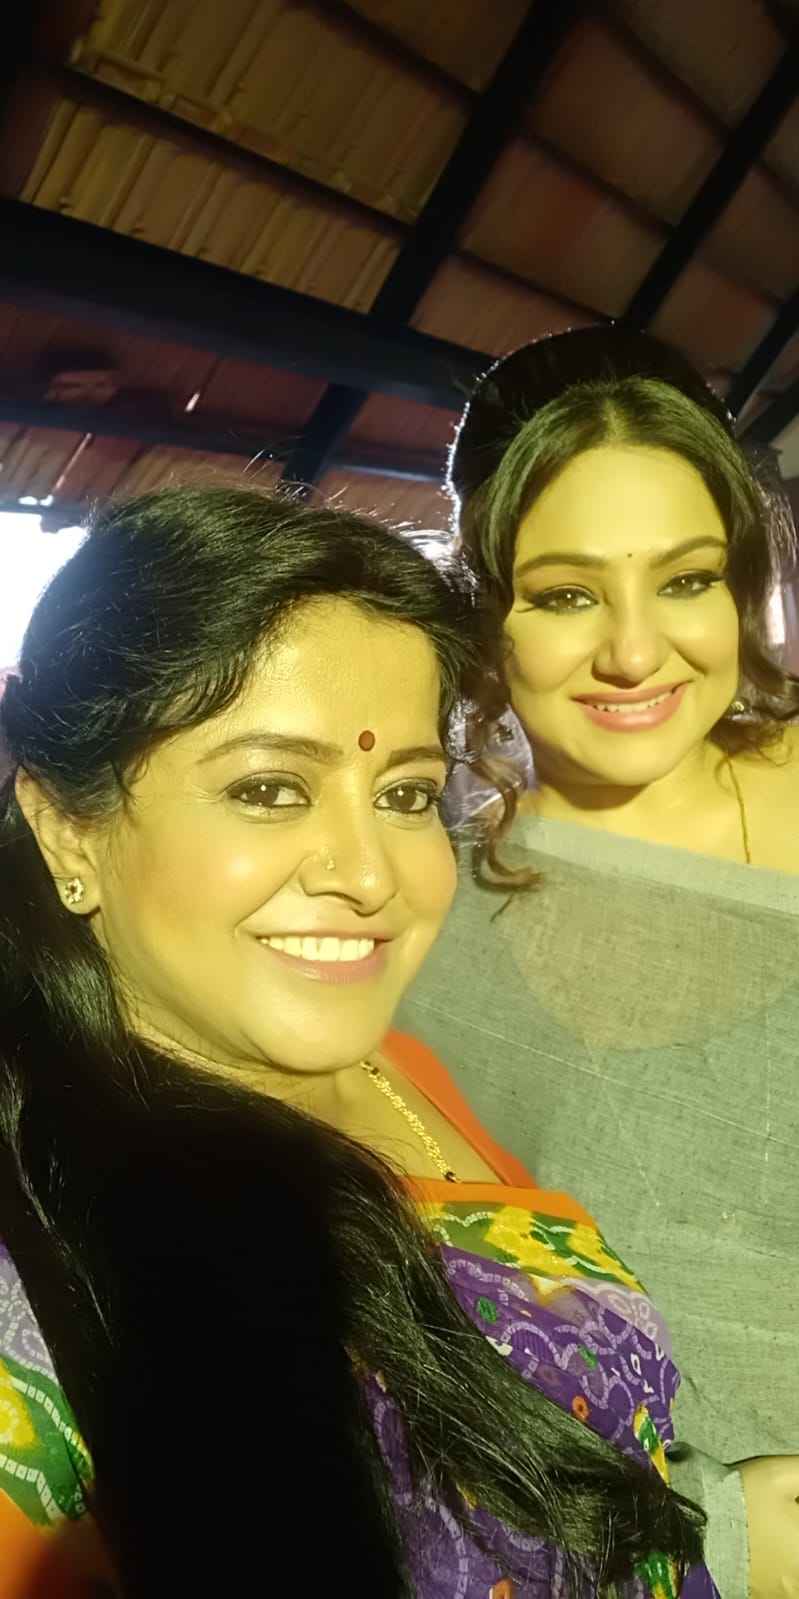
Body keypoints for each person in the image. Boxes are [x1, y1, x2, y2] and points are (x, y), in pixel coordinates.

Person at [0, 485, 714, 1599]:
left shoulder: (398, 1068)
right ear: (65, 828)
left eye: (406, 793)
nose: (372, 873)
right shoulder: (41, 1268)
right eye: (270, 788)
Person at [397, 326, 799, 1599]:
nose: (634, 652)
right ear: (484, 606)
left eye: (686, 580)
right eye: (565, 594)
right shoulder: (420, 920)